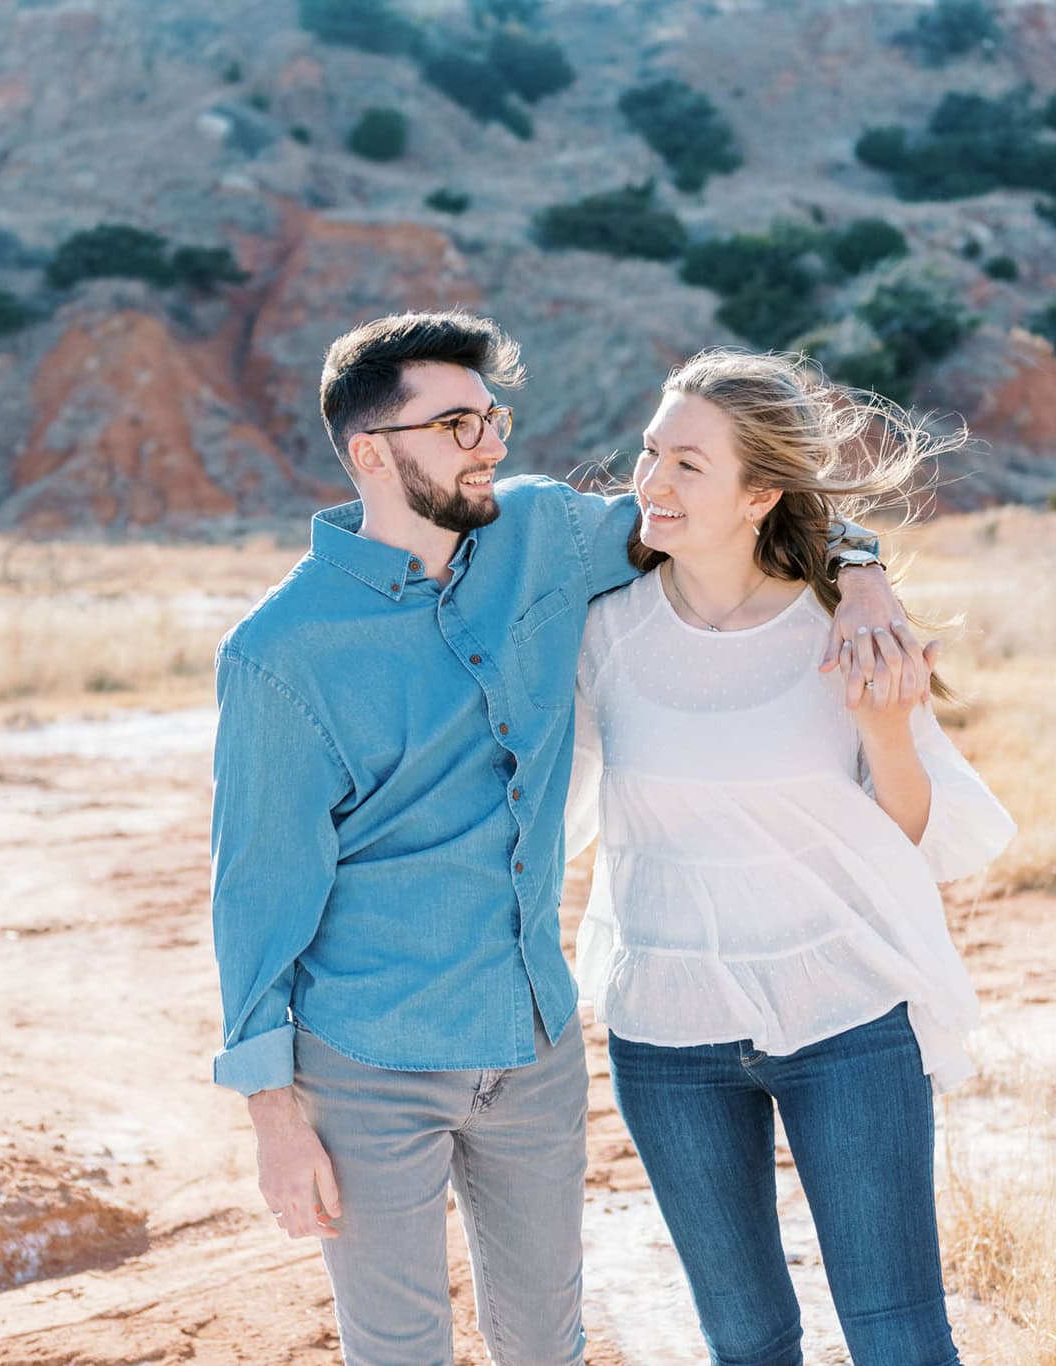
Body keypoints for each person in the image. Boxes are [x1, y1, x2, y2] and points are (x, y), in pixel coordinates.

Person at [208, 311, 924, 1365]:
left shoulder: (541, 535)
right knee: (398, 1351)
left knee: (547, 1347)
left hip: (533, 1049)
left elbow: (712, 510)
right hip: (369, 1058)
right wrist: (273, 1116)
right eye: (455, 423)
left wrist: (857, 565)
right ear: (371, 452)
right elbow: (255, 894)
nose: (490, 440)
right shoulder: (280, 652)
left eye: (489, 415)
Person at [567, 348, 1016, 1366]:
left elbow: (905, 835)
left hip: (841, 1019)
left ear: (759, 491)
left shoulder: (842, 629)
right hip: (666, 1034)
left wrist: (887, 728)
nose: (650, 482)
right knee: (745, 1340)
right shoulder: (604, 634)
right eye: (647, 453)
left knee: (897, 1332)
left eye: (688, 464)